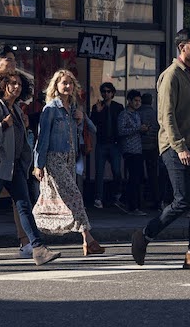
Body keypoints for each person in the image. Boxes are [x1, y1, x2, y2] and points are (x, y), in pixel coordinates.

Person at [130, 28, 190, 270]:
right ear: (182, 46)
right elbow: (165, 116)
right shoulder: (171, 75)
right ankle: (145, 235)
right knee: (182, 201)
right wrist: (180, 147)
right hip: (175, 147)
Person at [0, 71, 60, 267]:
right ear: (3, 86)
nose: (16, 87)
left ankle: (38, 249)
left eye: (19, 84)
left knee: (24, 205)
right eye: (12, 83)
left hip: (14, 166)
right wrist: (2, 126)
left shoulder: (17, 110)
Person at [32, 69, 104, 255]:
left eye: (70, 83)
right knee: (75, 196)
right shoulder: (50, 109)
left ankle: (87, 240)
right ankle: (88, 239)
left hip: (70, 158)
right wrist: (38, 164)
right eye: (64, 83)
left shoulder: (73, 108)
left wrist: (81, 118)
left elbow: (94, 130)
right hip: (54, 158)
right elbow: (42, 138)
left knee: (69, 198)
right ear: (56, 86)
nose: (68, 86)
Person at [90, 81, 124, 210]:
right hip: (102, 143)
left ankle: (117, 195)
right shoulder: (97, 106)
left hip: (115, 143)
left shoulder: (118, 107)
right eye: (103, 91)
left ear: (113, 93)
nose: (106, 94)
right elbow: (92, 125)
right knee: (99, 171)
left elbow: (121, 124)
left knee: (116, 170)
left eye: (108, 91)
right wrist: (98, 112)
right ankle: (98, 198)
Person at [116, 89, 148, 216]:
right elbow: (121, 131)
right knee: (134, 178)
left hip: (138, 149)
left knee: (138, 178)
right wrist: (137, 129)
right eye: (135, 100)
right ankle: (131, 206)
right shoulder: (124, 114)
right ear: (129, 101)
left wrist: (144, 130)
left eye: (139, 101)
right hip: (129, 150)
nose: (137, 103)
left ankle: (125, 200)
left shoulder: (137, 114)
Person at [137, 93, 166, 209]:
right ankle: (156, 200)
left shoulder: (138, 113)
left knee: (138, 175)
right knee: (153, 175)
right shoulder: (156, 114)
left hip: (140, 146)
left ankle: (140, 200)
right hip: (153, 147)